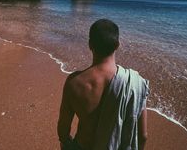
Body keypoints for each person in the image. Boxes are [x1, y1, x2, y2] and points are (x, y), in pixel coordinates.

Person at [57, 19, 149, 150]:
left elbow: (63, 129)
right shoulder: (135, 83)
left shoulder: (74, 82)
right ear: (118, 44)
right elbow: (143, 136)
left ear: (90, 45)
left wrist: (66, 143)